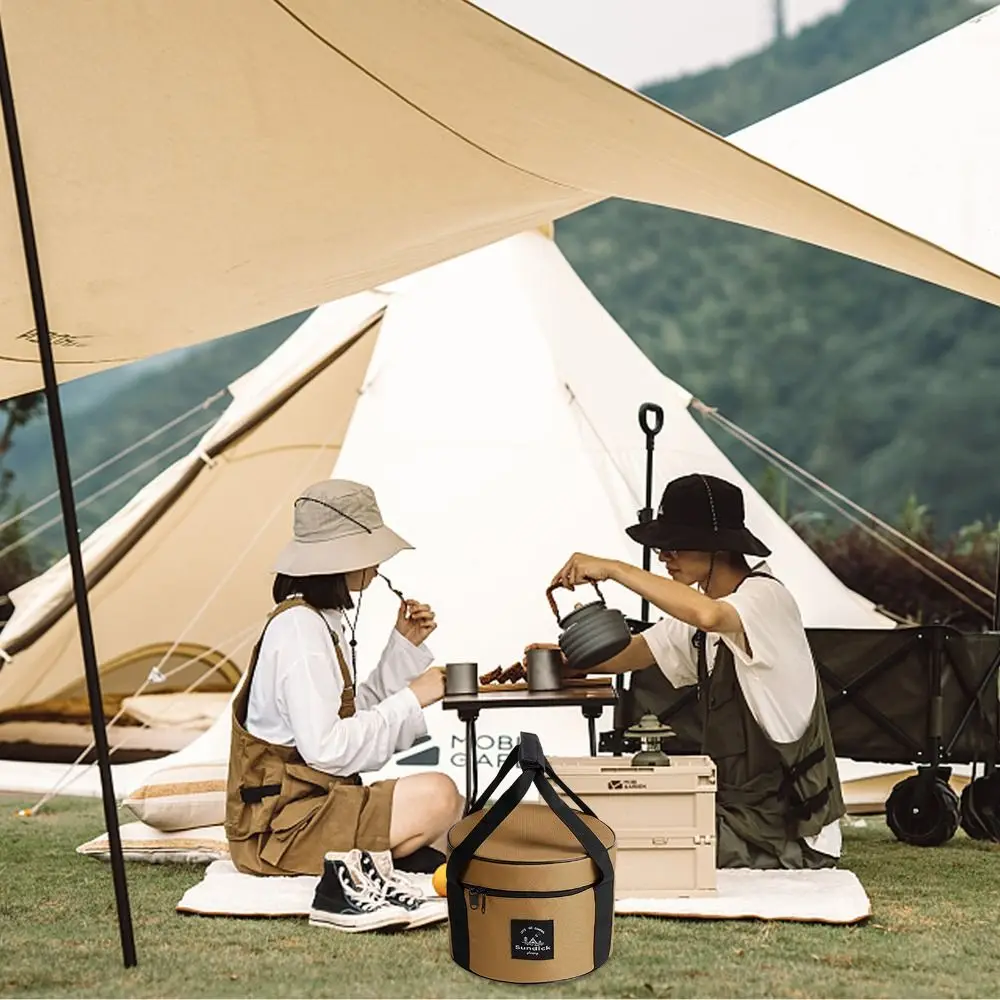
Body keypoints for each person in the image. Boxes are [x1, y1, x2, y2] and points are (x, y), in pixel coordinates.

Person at [550, 473, 845, 870]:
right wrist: (552, 661)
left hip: (787, 829)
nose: (662, 555)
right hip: (732, 813)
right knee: (597, 823)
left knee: (617, 841)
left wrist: (616, 569)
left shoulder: (765, 600)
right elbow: (628, 654)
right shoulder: (703, 616)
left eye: (673, 544)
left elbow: (708, 615)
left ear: (717, 547)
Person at [225, 478, 463, 903]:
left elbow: (349, 716)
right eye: (369, 552)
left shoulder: (318, 620)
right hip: (281, 828)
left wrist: (402, 648)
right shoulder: (299, 632)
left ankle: (388, 852)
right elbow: (328, 750)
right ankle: (388, 854)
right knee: (439, 796)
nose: (377, 564)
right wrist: (413, 697)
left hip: (314, 803)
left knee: (454, 812)